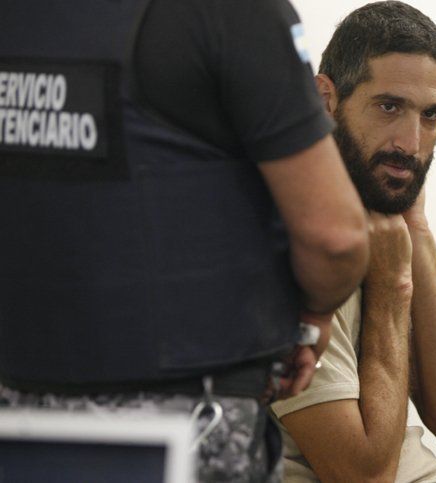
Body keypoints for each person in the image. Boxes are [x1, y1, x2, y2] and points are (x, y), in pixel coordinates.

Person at [0, 0, 369, 481]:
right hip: (189, 422)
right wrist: (314, 318)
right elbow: (335, 239)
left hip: (18, 419)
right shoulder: (232, 14)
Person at [271, 2, 436, 481]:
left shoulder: (387, 224)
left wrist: (417, 230)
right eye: (389, 107)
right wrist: (393, 287)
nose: (410, 144)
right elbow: (364, 477)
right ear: (325, 100)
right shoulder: (289, 238)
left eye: (431, 115)